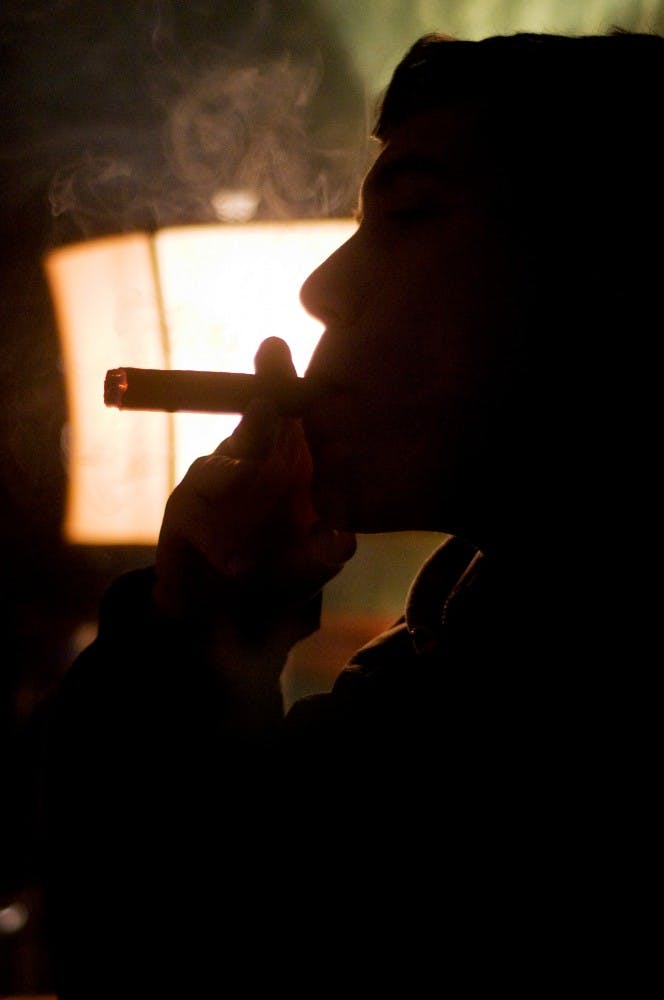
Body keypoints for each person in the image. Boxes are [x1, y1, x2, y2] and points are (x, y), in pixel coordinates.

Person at [40, 29, 662, 997]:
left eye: (410, 215)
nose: (321, 287)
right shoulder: (448, 668)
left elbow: (174, 947)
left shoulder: (526, 730)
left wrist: (193, 638)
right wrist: (201, 627)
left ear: (608, 268)